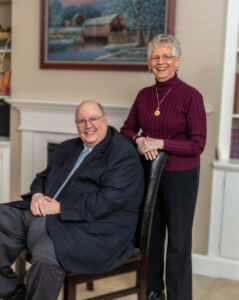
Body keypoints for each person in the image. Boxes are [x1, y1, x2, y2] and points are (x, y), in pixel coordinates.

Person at [0, 100, 145, 300]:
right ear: (76, 124)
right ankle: (12, 294)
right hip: (43, 213)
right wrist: (37, 195)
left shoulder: (121, 153)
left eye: (93, 119)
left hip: (88, 227)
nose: (88, 126)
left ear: (105, 120)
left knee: (45, 256)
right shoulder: (69, 147)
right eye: (81, 121)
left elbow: (108, 201)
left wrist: (60, 207)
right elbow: (43, 177)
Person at [120, 34, 206, 300]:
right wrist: (141, 140)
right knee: (151, 238)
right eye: (155, 57)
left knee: (178, 242)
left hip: (181, 176)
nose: (161, 62)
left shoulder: (191, 96)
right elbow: (126, 130)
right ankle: (152, 292)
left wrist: (161, 142)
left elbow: (197, 144)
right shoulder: (144, 95)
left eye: (166, 57)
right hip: (149, 176)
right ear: (149, 62)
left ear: (177, 60)